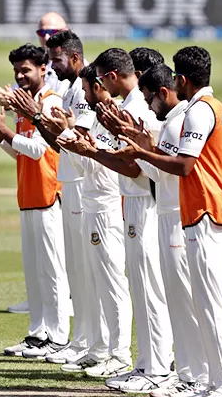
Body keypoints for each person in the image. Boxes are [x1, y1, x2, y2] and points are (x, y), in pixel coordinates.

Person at [117, 46, 222, 397]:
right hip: (202, 212)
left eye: (175, 76)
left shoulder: (201, 111)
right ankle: (210, 381)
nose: (173, 81)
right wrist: (146, 146)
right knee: (204, 304)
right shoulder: (204, 108)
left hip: (208, 212)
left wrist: (141, 151)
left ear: (183, 79)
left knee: (209, 304)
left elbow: (185, 166)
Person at [0, 44, 70, 359]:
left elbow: (39, 150)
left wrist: (5, 130)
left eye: (25, 70)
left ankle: (59, 337)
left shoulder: (49, 103)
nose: (20, 76)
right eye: (16, 71)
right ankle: (38, 335)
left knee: (52, 271)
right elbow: (19, 152)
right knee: (34, 271)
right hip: (29, 195)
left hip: (49, 195)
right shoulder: (28, 107)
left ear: (43, 70)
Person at [112, 63, 203, 394]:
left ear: (164, 92)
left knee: (182, 300)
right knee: (177, 300)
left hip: (177, 217)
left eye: (149, 98)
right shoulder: (173, 121)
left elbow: (176, 171)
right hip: (168, 214)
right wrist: (143, 149)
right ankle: (186, 376)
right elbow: (155, 172)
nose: (148, 105)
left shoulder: (178, 121)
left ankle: (191, 376)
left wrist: (141, 151)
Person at [89, 48, 173, 381]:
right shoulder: (129, 104)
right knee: (141, 287)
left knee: (150, 288)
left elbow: (145, 159)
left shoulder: (138, 107)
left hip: (145, 200)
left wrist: (94, 150)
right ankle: (146, 362)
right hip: (134, 198)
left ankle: (157, 366)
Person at [51, 64, 131, 379]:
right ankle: (99, 350)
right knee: (97, 282)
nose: (84, 95)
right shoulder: (96, 117)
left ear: (99, 85)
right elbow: (84, 162)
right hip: (91, 203)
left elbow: (111, 162)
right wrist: (68, 135)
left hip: (109, 206)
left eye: (87, 89)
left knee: (112, 283)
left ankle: (120, 353)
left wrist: (79, 143)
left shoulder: (116, 117)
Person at [39, 30, 95, 364]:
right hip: (71, 182)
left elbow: (75, 138)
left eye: (57, 59)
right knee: (75, 269)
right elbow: (61, 140)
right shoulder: (72, 87)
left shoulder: (84, 89)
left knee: (86, 271)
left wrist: (49, 123)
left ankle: (92, 344)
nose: (53, 66)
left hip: (83, 185)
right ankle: (82, 340)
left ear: (74, 57)